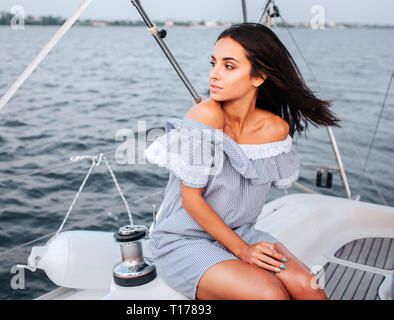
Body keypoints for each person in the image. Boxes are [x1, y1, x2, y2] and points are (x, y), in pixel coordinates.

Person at [144, 23, 340, 300]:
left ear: (258, 77)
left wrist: (244, 245)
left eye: (229, 66)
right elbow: (191, 199)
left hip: (242, 233)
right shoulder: (206, 116)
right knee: (269, 294)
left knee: (310, 288)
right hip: (183, 240)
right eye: (214, 63)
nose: (214, 75)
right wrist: (242, 250)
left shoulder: (275, 130)